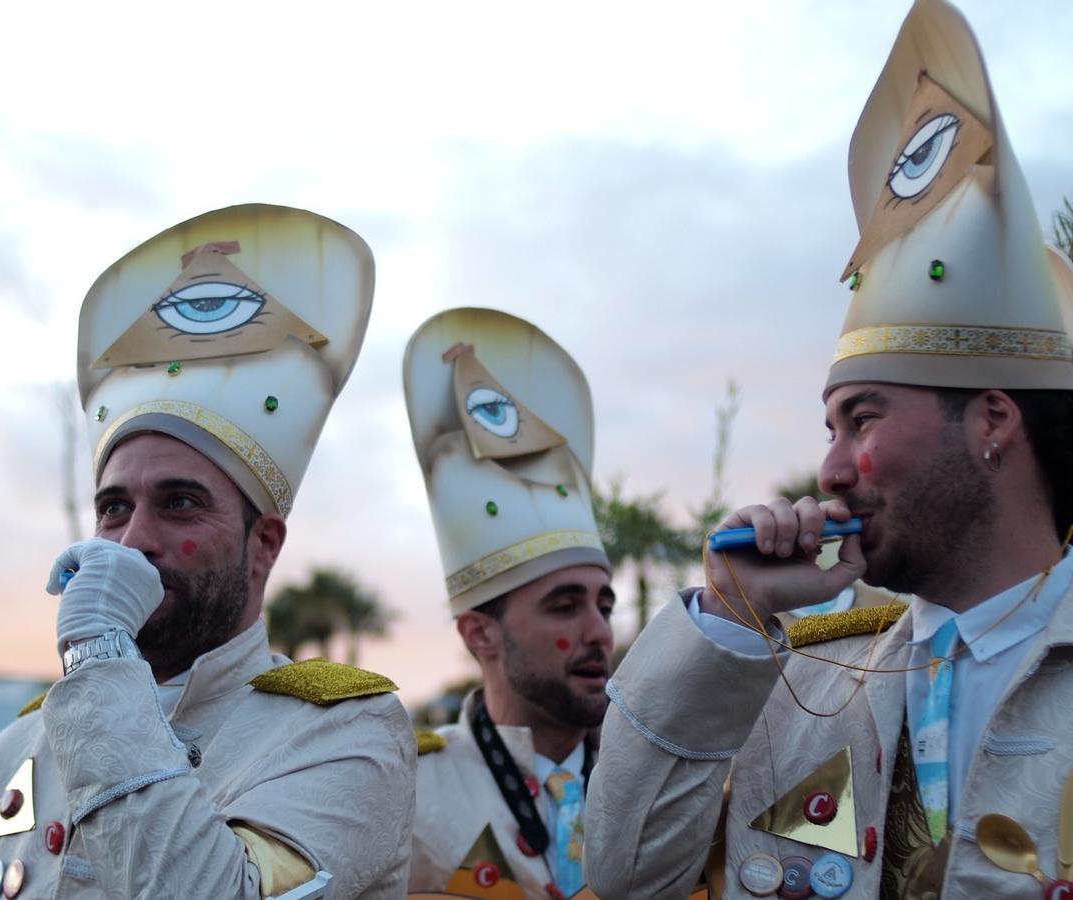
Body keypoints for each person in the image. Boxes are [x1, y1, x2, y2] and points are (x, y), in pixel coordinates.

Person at [584, 2, 1073, 898]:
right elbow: (624, 880)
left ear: (994, 421)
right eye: (831, 428)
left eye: (865, 418)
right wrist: (730, 623)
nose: (831, 469)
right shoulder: (804, 678)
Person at [0, 205, 416, 899]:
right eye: (114, 508)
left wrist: (100, 655)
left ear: (263, 545)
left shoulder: (347, 731)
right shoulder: (12, 754)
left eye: (179, 503)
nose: (134, 540)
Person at [402, 308, 614, 899]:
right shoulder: (407, 794)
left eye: (604, 604)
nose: (599, 631)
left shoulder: (655, 783)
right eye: (565, 606)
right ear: (479, 635)